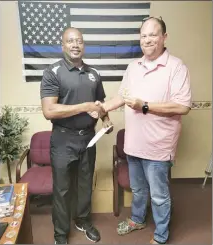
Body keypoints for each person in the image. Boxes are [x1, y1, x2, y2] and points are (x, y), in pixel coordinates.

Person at [91, 17, 191, 244]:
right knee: (138, 189)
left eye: (153, 35)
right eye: (144, 35)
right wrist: (102, 108)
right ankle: (137, 219)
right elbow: (123, 96)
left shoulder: (176, 67)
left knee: (158, 195)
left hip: (159, 146)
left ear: (164, 37)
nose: (148, 40)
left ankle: (161, 235)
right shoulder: (133, 67)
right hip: (133, 144)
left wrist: (145, 105)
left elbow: (183, 106)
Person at [40, 27, 113, 244]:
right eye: (70, 41)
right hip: (63, 139)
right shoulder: (52, 72)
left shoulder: (94, 74)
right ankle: (60, 234)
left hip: (88, 139)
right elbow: (49, 111)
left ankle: (83, 221)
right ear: (62, 45)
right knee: (62, 189)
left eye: (79, 41)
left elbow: (99, 105)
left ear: (84, 45)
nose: (75, 45)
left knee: (84, 184)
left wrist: (105, 120)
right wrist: (83, 107)